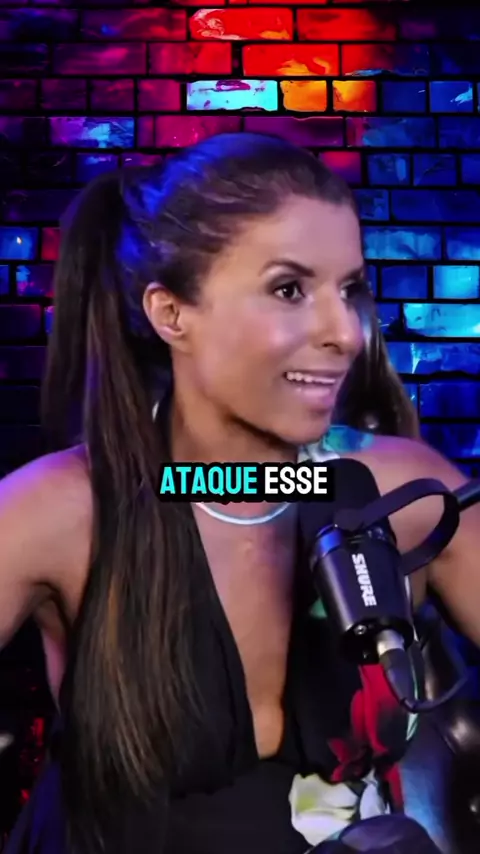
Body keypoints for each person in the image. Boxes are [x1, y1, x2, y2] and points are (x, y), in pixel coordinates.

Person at [0, 132, 479, 854]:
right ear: (172, 315)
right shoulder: (61, 510)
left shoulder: (403, 493)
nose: (346, 332)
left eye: (349, 289)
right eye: (289, 290)